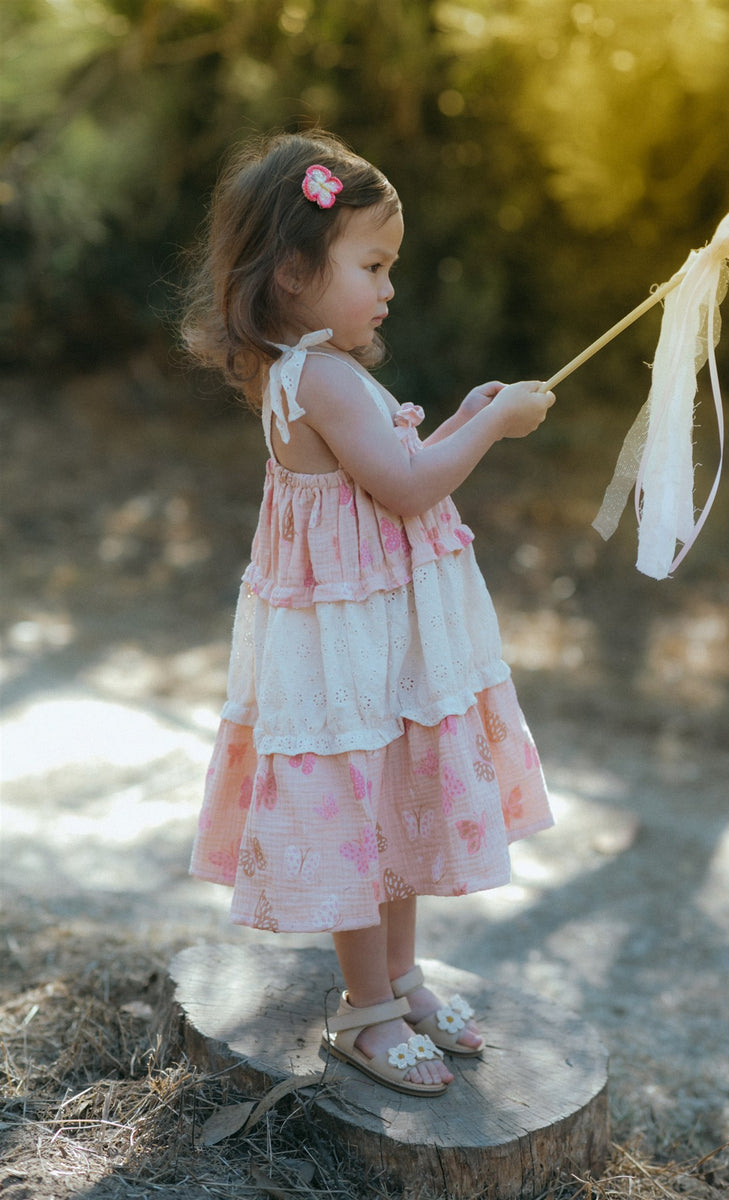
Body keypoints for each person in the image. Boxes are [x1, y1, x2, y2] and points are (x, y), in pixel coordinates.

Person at [183, 130, 556, 1097]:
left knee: (388, 801)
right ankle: (364, 1009)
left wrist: (463, 419)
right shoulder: (324, 376)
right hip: (348, 646)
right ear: (296, 271)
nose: (389, 288)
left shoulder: (309, 367)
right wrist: (491, 426)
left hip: (368, 634)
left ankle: (399, 978)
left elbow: (384, 473)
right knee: (360, 811)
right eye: (373, 264)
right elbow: (405, 488)